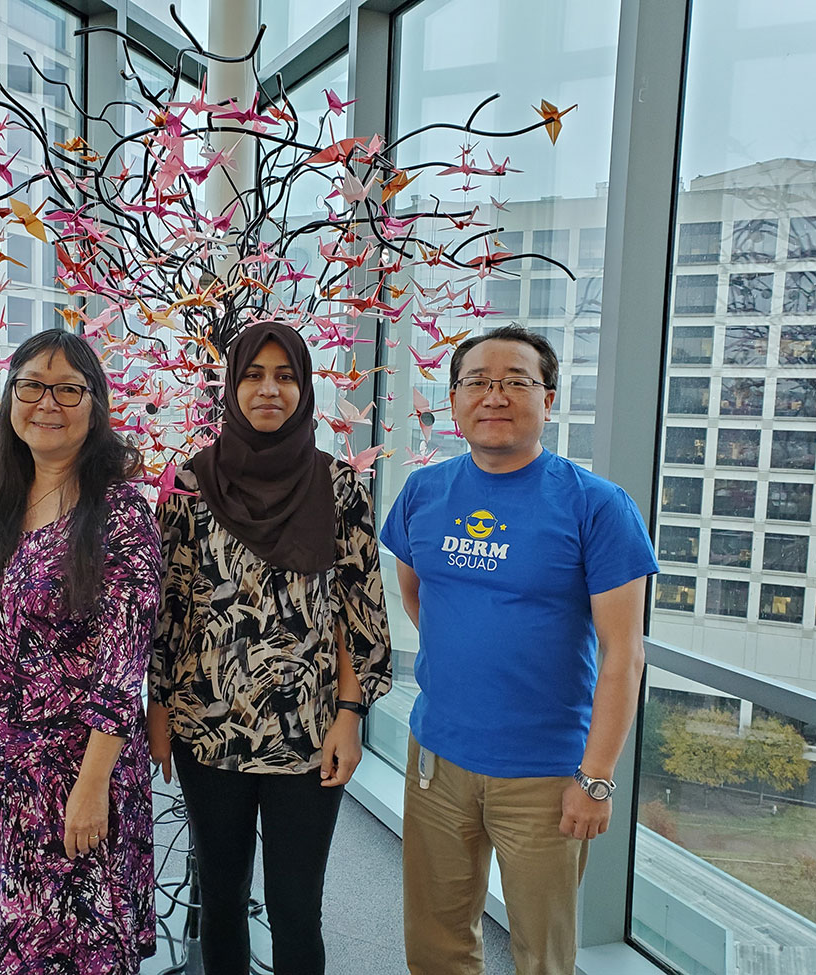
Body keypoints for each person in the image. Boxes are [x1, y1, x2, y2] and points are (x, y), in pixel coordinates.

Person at [379, 324, 659, 975]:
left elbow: (624, 655)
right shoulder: (424, 492)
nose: (494, 395)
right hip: (438, 758)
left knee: (542, 951)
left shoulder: (598, 507)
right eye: (477, 381)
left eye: (516, 382)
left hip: (548, 771)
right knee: (436, 941)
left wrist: (595, 777)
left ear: (549, 398)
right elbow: (420, 598)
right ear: (453, 402)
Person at [149, 322, 392, 975]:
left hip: (309, 730)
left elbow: (357, 610)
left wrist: (351, 714)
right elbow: (166, 608)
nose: (269, 389)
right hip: (209, 726)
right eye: (253, 374)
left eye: (285, 375)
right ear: (231, 386)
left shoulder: (339, 485)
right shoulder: (189, 484)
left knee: (295, 906)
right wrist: (159, 712)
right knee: (221, 900)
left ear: (305, 387)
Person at [0, 329, 161, 974]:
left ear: (95, 405)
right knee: (9, 931)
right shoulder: (6, 496)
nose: (48, 402)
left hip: (72, 768)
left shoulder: (120, 513)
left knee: (72, 939)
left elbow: (124, 664)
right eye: (33, 385)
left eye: (70, 388)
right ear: (11, 399)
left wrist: (93, 786)